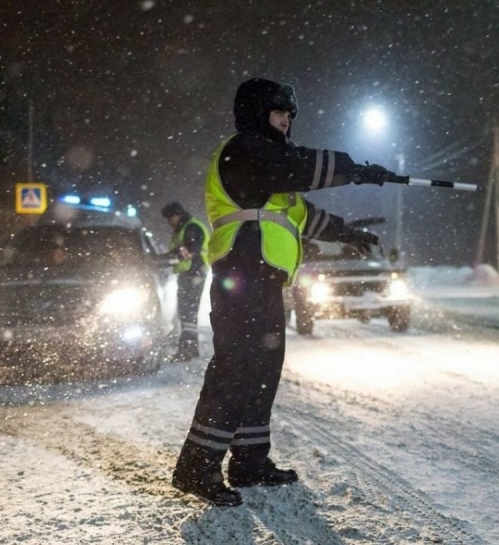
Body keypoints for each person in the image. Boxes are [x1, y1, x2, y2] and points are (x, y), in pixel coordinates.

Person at [171, 77, 392, 506]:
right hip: (240, 275)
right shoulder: (244, 151)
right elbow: (299, 166)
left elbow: (302, 213)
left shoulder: (273, 170)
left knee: (262, 371)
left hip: (265, 280)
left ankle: (250, 461)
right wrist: (357, 169)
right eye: (278, 113)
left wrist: (345, 231)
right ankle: (196, 466)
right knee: (235, 369)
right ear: (256, 113)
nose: (286, 121)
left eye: (289, 115)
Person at [161, 201, 210, 361]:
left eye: (170, 218)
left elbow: (188, 251)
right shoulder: (185, 228)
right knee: (188, 313)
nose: (168, 223)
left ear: (177, 215)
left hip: (193, 274)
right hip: (191, 274)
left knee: (187, 312)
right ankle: (191, 348)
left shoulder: (191, 228)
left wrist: (162, 259)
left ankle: (186, 349)